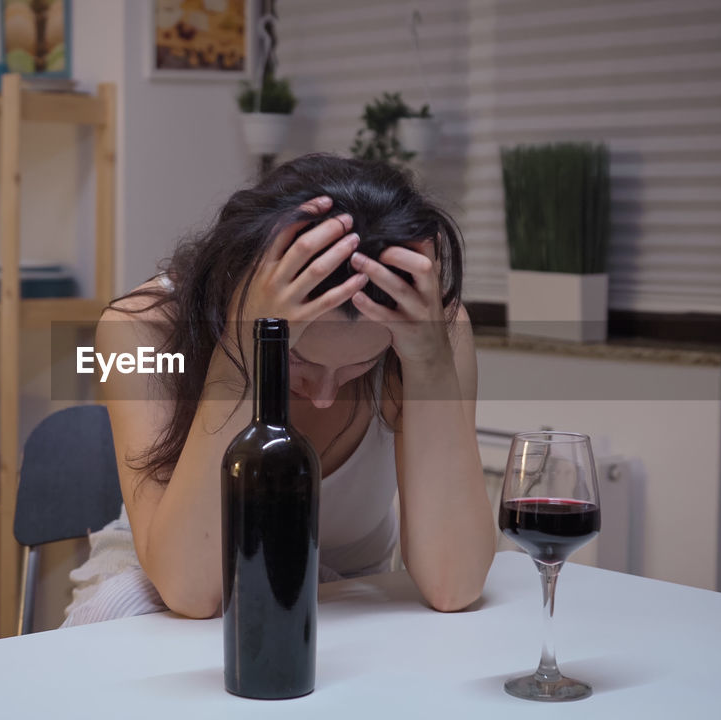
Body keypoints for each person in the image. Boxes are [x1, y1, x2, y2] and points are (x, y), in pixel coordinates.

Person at [61, 154, 494, 627]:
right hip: (158, 581)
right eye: (298, 361)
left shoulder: (429, 331)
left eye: (360, 364)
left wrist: (428, 362)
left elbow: (455, 585)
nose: (326, 394)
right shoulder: (142, 330)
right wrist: (239, 355)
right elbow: (192, 591)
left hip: (345, 593)